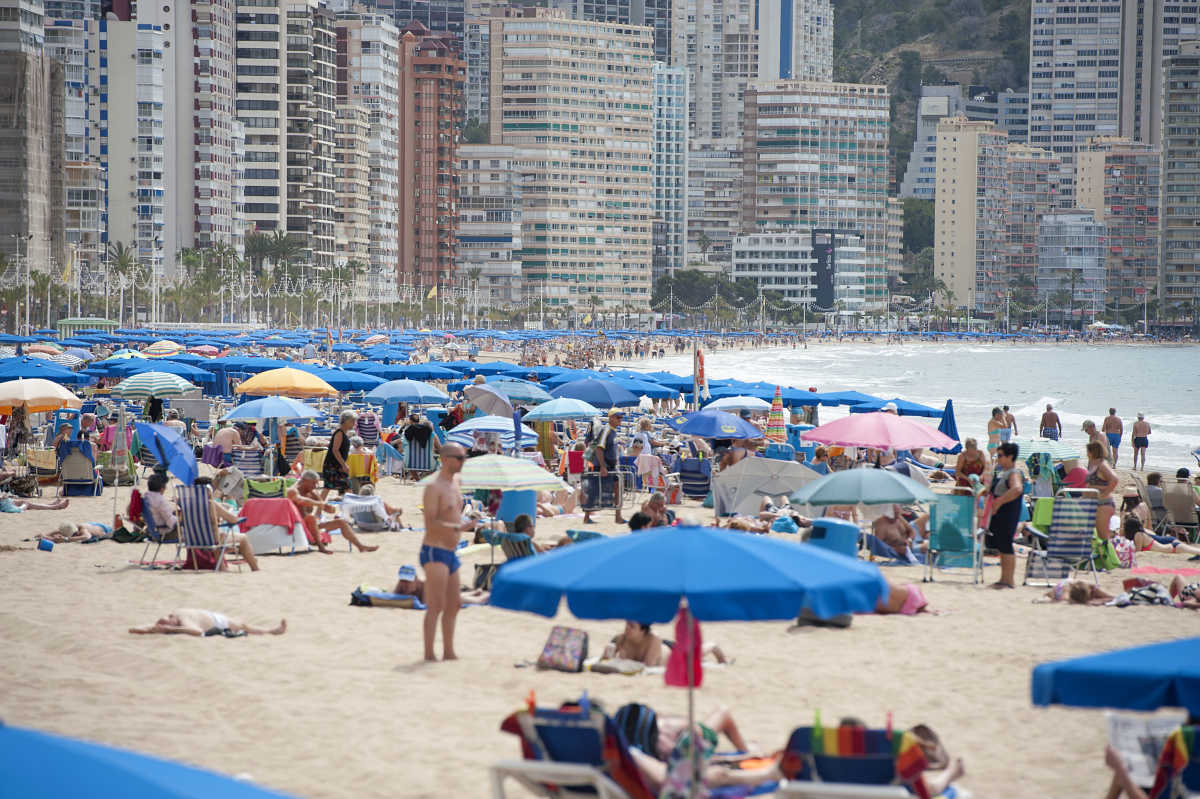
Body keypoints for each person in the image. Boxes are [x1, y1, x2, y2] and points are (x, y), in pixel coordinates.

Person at [420, 442, 469, 661]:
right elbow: (430, 524)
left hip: (451, 551)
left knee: (454, 604)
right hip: (434, 549)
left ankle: (448, 651)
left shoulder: (457, 483)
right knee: (436, 605)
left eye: (464, 457)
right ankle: (429, 653)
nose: (463, 461)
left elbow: (454, 514)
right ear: (446, 459)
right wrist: (460, 528)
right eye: (459, 458)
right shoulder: (433, 487)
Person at [286, 470, 379, 554]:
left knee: (341, 522)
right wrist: (319, 504)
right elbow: (301, 500)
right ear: (305, 480)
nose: (315, 486)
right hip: (298, 526)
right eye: (313, 483)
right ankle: (320, 547)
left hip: (313, 525)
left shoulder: (311, 492)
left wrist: (330, 509)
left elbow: (324, 506)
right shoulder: (292, 491)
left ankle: (361, 547)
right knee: (311, 518)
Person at [191, 475, 262, 570]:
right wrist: (229, 514)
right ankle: (255, 568)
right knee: (243, 538)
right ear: (208, 490)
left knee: (223, 537)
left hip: (192, 540)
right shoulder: (211, 504)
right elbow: (233, 520)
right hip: (211, 540)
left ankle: (222, 567)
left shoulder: (187, 504)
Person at [602, 621, 730, 667]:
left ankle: (713, 646)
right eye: (626, 624)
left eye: (631, 626)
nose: (627, 629)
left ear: (643, 631)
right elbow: (603, 660)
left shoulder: (653, 638)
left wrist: (622, 659)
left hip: (673, 653)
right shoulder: (620, 639)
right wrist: (609, 657)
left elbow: (648, 666)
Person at [983, 442, 1023, 589]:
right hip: (999, 513)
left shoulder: (1013, 473)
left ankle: (1009, 580)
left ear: (1010, 457)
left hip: (1007, 512)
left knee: (1006, 545)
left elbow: (1017, 489)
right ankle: (1004, 578)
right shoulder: (1002, 472)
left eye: (1000, 456)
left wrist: (1000, 501)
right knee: (1001, 545)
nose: (998, 459)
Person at [584, 410, 625, 526]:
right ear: (611, 418)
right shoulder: (606, 430)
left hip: (610, 466)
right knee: (594, 491)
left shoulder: (613, 431)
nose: (620, 420)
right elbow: (599, 448)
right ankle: (587, 517)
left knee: (618, 489)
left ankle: (618, 516)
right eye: (618, 417)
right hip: (602, 466)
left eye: (621, 418)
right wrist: (602, 467)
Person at [129, 609, 286, 637]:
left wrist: (148, 628)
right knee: (244, 626)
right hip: (219, 622)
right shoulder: (183, 621)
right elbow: (197, 632)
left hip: (214, 617)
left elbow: (150, 626)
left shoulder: (177, 615)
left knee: (244, 625)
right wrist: (169, 629)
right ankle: (272, 631)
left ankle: (271, 630)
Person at [1085, 441, 1120, 540]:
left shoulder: (1102, 465)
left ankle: (1111, 555)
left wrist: (1104, 493)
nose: (1086, 454)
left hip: (1103, 504)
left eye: (1087, 451)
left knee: (1103, 536)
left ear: (1092, 452)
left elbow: (1114, 479)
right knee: (1098, 535)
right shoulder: (1094, 464)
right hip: (1095, 503)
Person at [1123, 516, 1200, 556]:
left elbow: (1138, 552)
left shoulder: (1138, 535)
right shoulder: (1141, 533)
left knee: (1197, 551)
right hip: (1172, 547)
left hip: (1174, 548)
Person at [322, 410, 356, 494]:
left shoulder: (342, 433)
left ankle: (320, 506)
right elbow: (335, 450)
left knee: (344, 487)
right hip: (333, 465)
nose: (354, 424)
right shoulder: (339, 433)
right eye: (352, 421)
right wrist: (344, 465)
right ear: (346, 421)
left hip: (336, 465)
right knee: (345, 487)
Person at [142, 471, 179, 537]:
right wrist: (180, 519)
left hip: (152, 530)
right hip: (164, 533)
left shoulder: (146, 497)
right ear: (162, 488)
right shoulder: (160, 501)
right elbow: (171, 522)